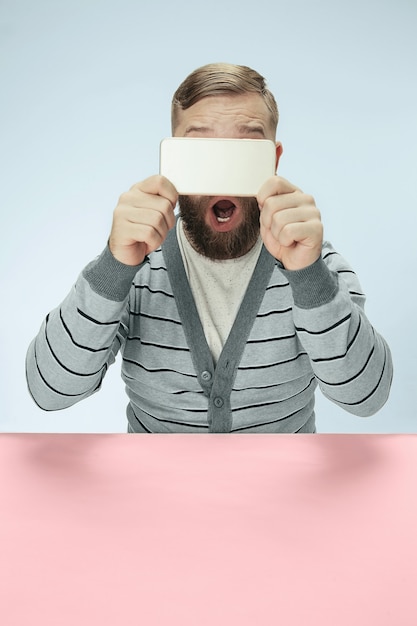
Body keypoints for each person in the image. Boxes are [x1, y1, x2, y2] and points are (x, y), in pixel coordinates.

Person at [26, 63, 393, 433]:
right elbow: (51, 391)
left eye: (246, 148)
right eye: (201, 148)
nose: (223, 175)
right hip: (151, 488)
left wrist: (309, 275)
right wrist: (114, 267)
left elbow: (366, 397)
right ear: (171, 162)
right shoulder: (136, 264)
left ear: (274, 160)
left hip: (285, 488)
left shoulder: (317, 266)